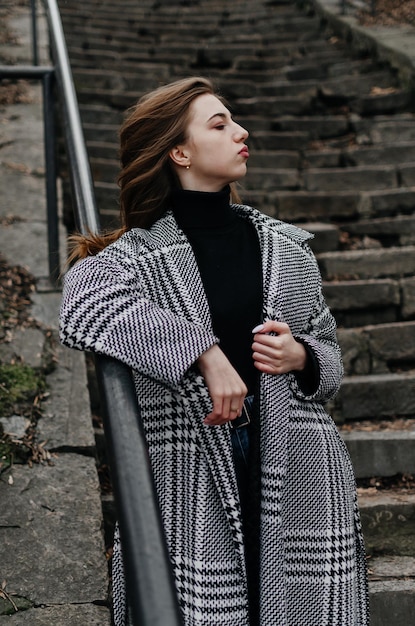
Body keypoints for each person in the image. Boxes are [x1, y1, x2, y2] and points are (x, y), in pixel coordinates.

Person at [59, 76, 369, 626]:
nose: (241, 131)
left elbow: (330, 358)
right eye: (220, 124)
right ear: (179, 151)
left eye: (235, 121)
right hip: (192, 468)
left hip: (298, 467)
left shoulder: (285, 247)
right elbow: (83, 303)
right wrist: (203, 351)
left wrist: (304, 357)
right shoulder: (138, 256)